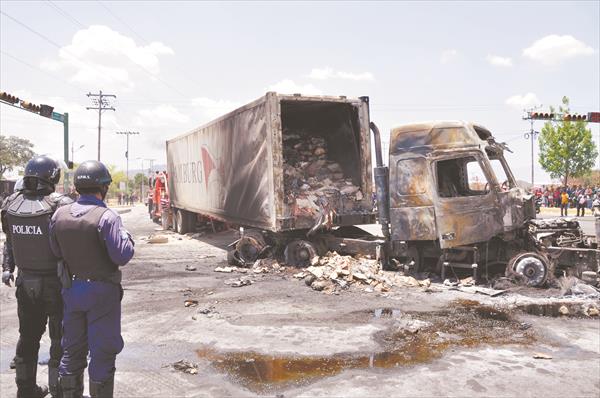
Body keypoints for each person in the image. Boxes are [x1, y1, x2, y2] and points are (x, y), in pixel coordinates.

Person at [49, 160, 135, 398]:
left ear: (77, 187)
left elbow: (55, 251)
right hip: (102, 293)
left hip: (71, 290)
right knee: (102, 351)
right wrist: (126, 235)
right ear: (104, 188)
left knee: (72, 350)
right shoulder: (107, 217)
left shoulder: (59, 214)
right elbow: (122, 255)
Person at [1, 155, 72, 398]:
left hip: (25, 283)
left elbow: (9, 242)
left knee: (28, 338)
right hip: (56, 283)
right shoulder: (61, 204)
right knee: (59, 340)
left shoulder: (10, 203)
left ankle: (25, 390)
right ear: (53, 176)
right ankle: (58, 390)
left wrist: (6, 268)